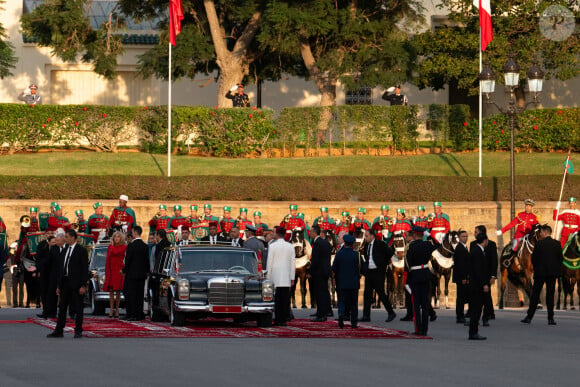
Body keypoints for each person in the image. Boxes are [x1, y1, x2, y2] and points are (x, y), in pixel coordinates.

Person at [47, 229, 89, 339]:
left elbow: (85, 269)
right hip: (65, 283)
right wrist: (58, 285)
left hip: (76, 283)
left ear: (73, 238)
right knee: (62, 307)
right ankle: (59, 330)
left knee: (78, 308)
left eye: (67, 237)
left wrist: (83, 285)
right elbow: (61, 267)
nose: (65, 239)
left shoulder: (81, 250)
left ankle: (78, 330)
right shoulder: (65, 249)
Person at [522, 225, 562, 326]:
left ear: (544, 232)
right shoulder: (557, 244)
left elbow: (534, 259)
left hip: (540, 273)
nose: (540, 233)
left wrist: (537, 268)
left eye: (541, 232)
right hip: (552, 273)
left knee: (535, 295)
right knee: (550, 295)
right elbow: (560, 259)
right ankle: (550, 318)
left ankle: (529, 317)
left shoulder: (539, 244)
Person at [405, 226, 437, 336]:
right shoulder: (428, 245)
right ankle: (425, 330)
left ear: (414, 235)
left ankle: (418, 329)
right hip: (426, 275)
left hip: (415, 276)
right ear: (423, 235)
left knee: (416, 305)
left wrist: (406, 280)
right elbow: (437, 245)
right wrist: (429, 236)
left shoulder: (411, 247)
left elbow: (407, 265)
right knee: (424, 304)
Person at [360, 229, 396, 323]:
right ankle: (366, 315)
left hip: (378, 272)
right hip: (369, 272)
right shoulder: (367, 245)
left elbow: (390, 253)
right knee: (367, 294)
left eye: (367, 236)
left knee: (381, 292)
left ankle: (391, 312)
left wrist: (383, 264)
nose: (366, 238)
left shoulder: (380, 244)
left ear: (372, 236)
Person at [266, 227, 296, 326]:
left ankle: (278, 319)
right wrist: (292, 277)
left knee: (277, 300)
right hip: (286, 277)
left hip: (275, 276)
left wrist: (268, 277)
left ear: (277, 234)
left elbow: (269, 263)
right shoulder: (290, 246)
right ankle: (283, 319)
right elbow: (293, 263)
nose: (272, 234)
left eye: (274, 232)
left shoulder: (273, 246)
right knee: (285, 299)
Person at [332, 234, 360, 329]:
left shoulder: (339, 254)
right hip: (353, 283)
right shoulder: (356, 254)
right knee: (353, 303)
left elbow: (334, 268)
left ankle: (341, 315)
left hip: (342, 282)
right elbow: (360, 268)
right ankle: (354, 322)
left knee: (342, 301)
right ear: (352, 244)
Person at [471, 225, 498, 324]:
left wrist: (493, 276)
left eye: (476, 232)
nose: (475, 234)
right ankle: (474, 318)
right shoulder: (473, 245)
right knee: (476, 299)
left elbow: (494, 261)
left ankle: (486, 316)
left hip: (487, 276)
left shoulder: (491, 245)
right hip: (477, 277)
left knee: (486, 297)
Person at [123, 226, 150, 321]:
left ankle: (133, 314)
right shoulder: (145, 246)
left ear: (134, 232)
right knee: (140, 294)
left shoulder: (131, 246)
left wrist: (124, 270)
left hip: (132, 274)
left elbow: (128, 260)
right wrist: (147, 271)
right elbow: (147, 261)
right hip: (142, 274)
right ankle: (139, 314)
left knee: (132, 294)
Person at [467, 233, 491, 340]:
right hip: (476, 286)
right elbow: (478, 271)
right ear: (484, 240)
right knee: (476, 310)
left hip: (476, 285)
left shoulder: (478, 250)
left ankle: (474, 331)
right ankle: (473, 332)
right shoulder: (477, 252)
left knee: (476, 309)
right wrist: (484, 284)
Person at [310, 225, 333, 322]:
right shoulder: (325, 242)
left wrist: (310, 271)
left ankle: (321, 314)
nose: (310, 233)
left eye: (311, 232)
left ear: (315, 233)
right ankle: (323, 311)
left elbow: (315, 259)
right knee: (324, 292)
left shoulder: (317, 243)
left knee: (320, 294)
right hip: (325, 271)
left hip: (318, 272)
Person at [103, 231, 127, 318]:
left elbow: (116, 252)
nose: (116, 238)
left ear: (121, 238)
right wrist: (107, 271)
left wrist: (112, 245)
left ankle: (117, 309)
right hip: (111, 270)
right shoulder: (110, 247)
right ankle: (111, 309)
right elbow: (108, 258)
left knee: (118, 291)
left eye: (118, 237)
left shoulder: (123, 247)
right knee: (111, 291)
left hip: (118, 271)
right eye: (115, 237)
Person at [35, 235, 55, 317]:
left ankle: (53, 312)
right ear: (49, 242)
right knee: (44, 293)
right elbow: (39, 260)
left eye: (55, 242)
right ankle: (45, 311)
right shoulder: (43, 249)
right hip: (44, 273)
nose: (54, 244)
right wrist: (39, 270)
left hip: (53, 274)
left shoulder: (57, 250)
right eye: (53, 242)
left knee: (52, 294)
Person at [453, 230, 470, 324]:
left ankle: (461, 314)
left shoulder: (464, 247)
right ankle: (459, 315)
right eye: (463, 236)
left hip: (463, 276)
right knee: (460, 297)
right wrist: (463, 277)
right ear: (459, 238)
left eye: (466, 236)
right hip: (461, 277)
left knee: (463, 296)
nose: (465, 238)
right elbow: (460, 265)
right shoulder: (459, 248)